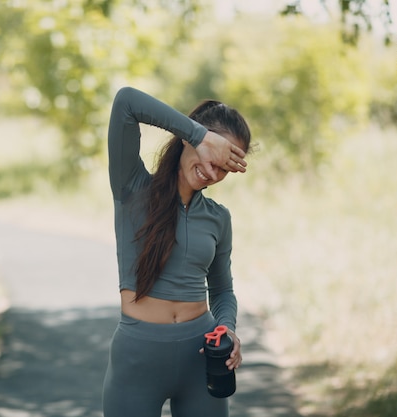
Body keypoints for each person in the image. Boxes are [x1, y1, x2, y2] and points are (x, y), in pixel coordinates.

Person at [102, 86, 251, 417]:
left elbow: (223, 289)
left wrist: (227, 327)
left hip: (202, 359)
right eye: (213, 156)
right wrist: (199, 134)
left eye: (224, 169)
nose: (213, 173)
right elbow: (126, 102)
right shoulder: (132, 187)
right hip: (137, 359)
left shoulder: (218, 218)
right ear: (190, 138)